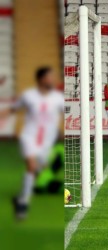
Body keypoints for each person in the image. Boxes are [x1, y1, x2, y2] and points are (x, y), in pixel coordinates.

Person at [0, 67, 64, 220]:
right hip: (29, 137)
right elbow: (13, 109)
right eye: (50, 77)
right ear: (41, 79)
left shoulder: (58, 98)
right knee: (31, 166)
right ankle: (24, 203)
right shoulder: (29, 96)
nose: (53, 80)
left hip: (46, 141)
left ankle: (21, 196)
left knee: (38, 168)